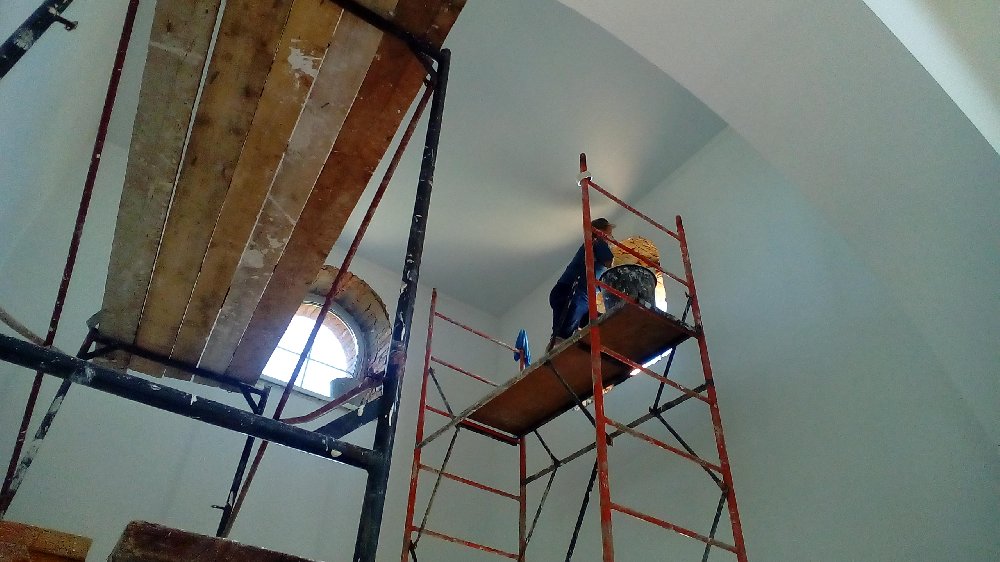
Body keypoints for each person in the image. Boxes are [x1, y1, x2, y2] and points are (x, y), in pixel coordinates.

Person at [547, 218, 615, 350]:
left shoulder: (591, 245)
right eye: (609, 234)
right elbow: (609, 262)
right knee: (562, 335)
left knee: (596, 325)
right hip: (573, 292)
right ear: (600, 231)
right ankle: (556, 346)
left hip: (573, 294)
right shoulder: (596, 241)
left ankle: (558, 344)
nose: (611, 239)